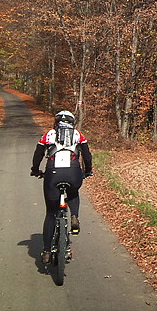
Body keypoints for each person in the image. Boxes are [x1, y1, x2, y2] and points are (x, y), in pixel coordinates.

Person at [30, 110, 93, 264]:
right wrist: (88, 170)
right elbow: (87, 155)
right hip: (73, 173)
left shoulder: (49, 134)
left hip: (52, 174)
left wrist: (35, 170)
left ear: (56, 122)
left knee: (51, 214)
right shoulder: (78, 135)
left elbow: (38, 154)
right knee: (73, 192)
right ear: (72, 122)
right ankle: (74, 216)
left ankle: (46, 251)